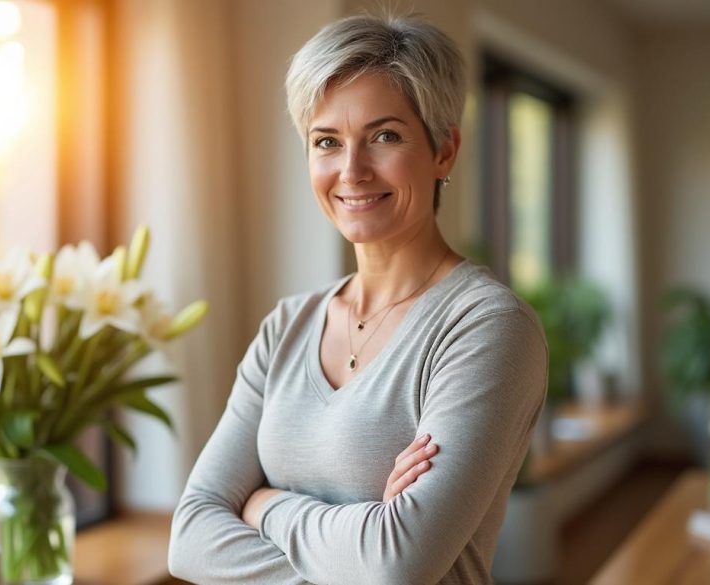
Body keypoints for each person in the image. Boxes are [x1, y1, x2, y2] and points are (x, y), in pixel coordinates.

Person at [168, 13, 547, 585]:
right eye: (326, 141)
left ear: (444, 150)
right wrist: (363, 534)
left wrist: (263, 505)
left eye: (385, 136)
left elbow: (395, 565)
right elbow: (190, 537)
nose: (352, 170)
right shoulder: (287, 327)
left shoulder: (487, 328)